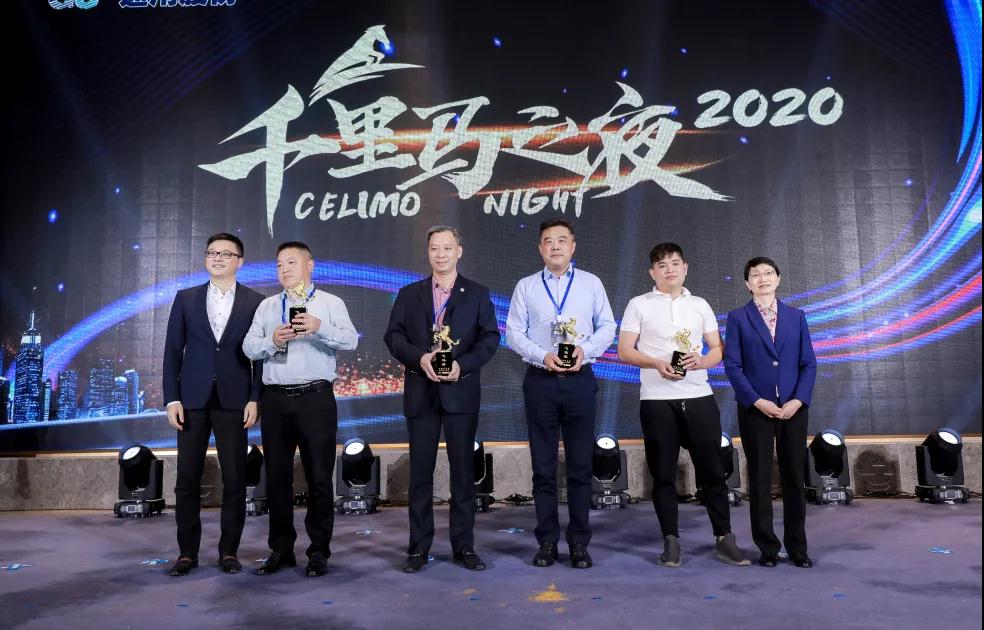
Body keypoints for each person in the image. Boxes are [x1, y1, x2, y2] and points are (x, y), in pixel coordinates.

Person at [617, 242, 749, 568]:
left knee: (713, 470)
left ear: (685, 268)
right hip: (657, 399)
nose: (670, 270)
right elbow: (624, 350)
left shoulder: (699, 304)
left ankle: (724, 537)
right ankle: (671, 540)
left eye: (675, 263)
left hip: (698, 395)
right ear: (652, 273)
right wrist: (655, 362)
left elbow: (718, 348)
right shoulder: (639, 304)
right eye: (662, 265)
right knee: (663, 473)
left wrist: (702, 361)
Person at [383, 225, 500, 573]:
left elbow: (490, 339)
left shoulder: (477, 293)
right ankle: (418, 549)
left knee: (463, 474)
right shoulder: (409, 294)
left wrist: (462, 366)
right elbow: (393, 336)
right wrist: (420, 358)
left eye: (447, 248)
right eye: (435, 248)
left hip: (460, 394)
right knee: (420, 474)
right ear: (428, 252)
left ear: (459, 251)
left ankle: (464, 547)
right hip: (421, 393)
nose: (441, 254)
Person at [505, 219, 616, 569]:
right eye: (548, 241)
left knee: (581, 466)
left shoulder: (590, 283)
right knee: (543, 467)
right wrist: (543, 356)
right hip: (541, 380)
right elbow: (513, 333)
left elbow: (608, 326)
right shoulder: (526, 286)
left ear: (573, 246)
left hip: (580, 379)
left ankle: (579, 542)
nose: (555, 246)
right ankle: (547, 542)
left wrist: (585, 349)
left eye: (562, 240)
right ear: (540, 248)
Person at [242, 241, 358, 577]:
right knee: (277, 477)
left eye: (291, 262)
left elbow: (351, 340)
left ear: (310, 265)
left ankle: (318, 550)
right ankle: (281, 550)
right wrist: (272, 341)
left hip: (315, 398)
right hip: (275, 399)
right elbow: (249, 347)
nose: (284, 269)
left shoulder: (330, 303)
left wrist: (319, 328)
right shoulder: (267, 306)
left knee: (319, 477)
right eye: (279, 264)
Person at [163, 232, 265, 576]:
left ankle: (229, 552)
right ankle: (186, 553)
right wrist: (172, 399)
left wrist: (255, 398)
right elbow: (172, 352)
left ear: (240, 261)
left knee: (235, 480)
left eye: (225, 253)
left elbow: (259, 357)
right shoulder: (186, 298)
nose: (217, 258)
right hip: (191, 400)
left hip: (235, 400)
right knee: (186, 479)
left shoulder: (256, 302)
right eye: (212, 253)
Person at [723, 256, 817, 568]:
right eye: (755, 275)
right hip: (756, 409)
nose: (762, 278)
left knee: (794, 478)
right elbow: (733, 366)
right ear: (747, 283)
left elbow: (808, 364)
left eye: (768, 273)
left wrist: (798, 400)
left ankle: (798, 548)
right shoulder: (738, 318)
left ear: (778, 279)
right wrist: (756, 400)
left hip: (793, 408)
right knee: (760, 479)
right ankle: (767, 548)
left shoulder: (796, 316)